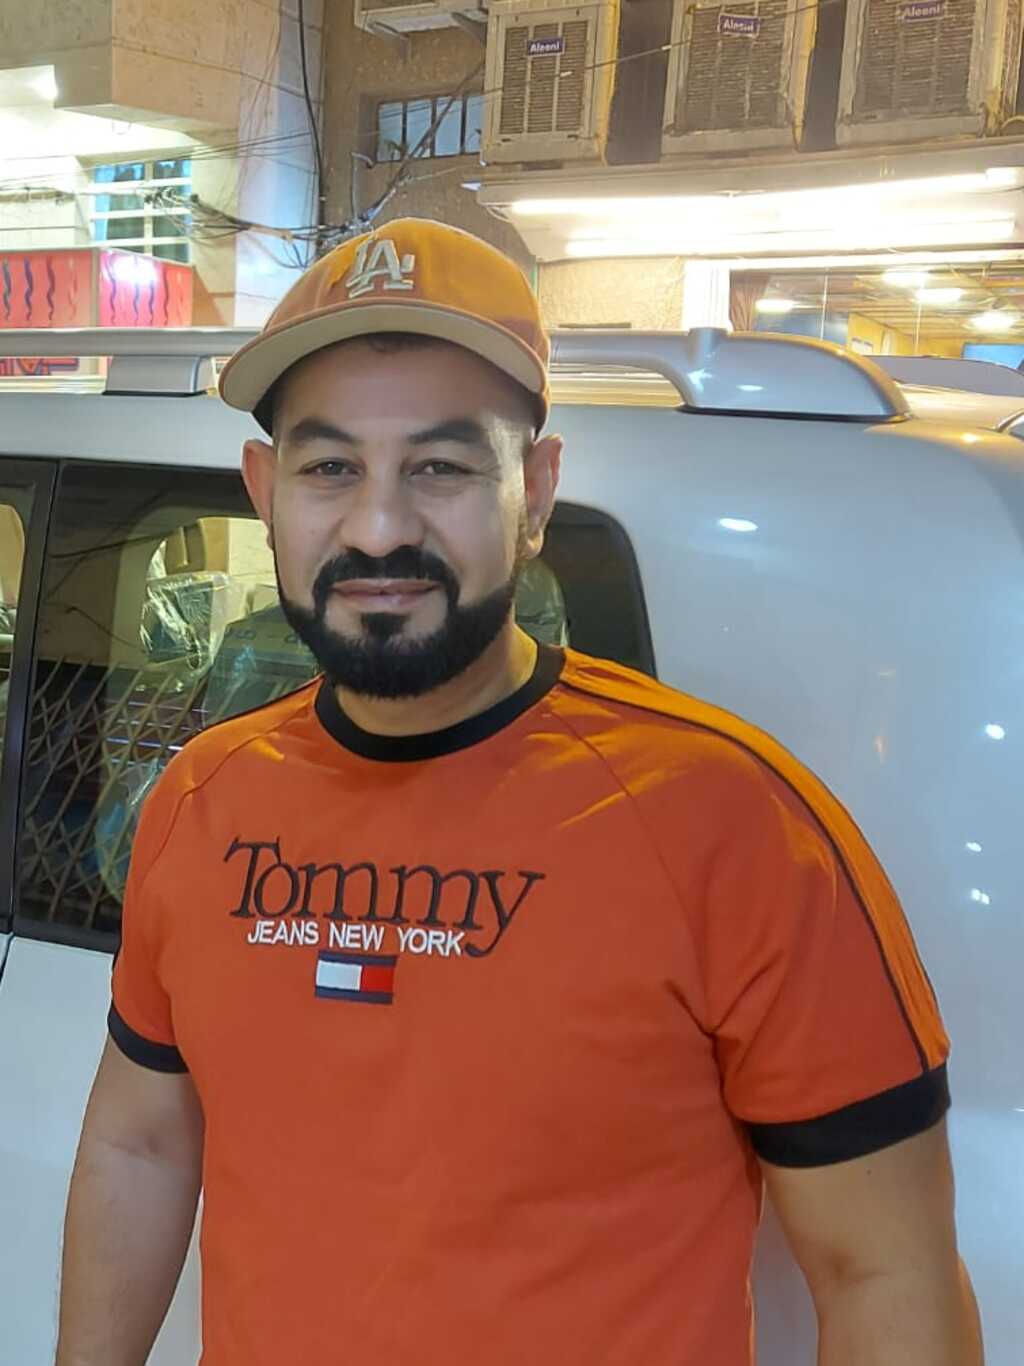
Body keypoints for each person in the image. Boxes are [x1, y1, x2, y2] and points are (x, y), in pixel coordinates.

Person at [57, 218, 982, 1366]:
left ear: (534, 491)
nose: (378, 528)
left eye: (441, 467)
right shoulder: (203, 796)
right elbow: (141, 1144)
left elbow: (882, 1268)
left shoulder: (734, 823)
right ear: (265, 489)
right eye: (330, 466)